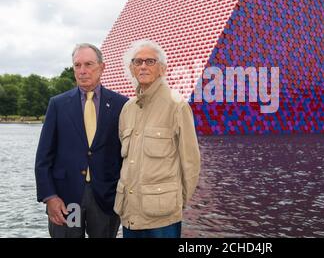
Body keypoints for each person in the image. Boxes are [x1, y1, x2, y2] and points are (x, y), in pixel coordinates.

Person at [35, 43, 128, 238]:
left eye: (88, 64)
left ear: (102, 67)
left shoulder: (122, 105)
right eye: (77, 65)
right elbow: (43, 157)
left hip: (105, 200)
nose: (82, 71)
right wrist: (49, 197)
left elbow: (127, 155)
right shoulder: (58, 104)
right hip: (67, 202)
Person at [114, 39, 201, 238]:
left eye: (150, 61)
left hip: (162, 218)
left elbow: (191, 163)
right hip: (130, 214)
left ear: (162, 68)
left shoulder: (177, 105)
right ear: (131, 68)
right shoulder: (127, 109)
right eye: (138, 62)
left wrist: (175, 202)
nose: (143, 66)